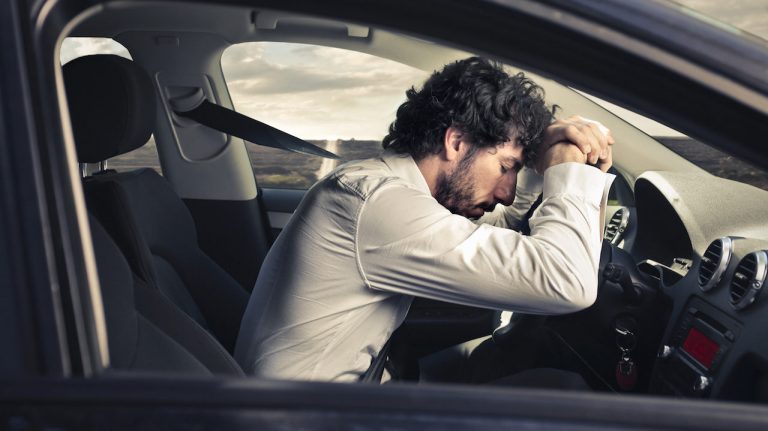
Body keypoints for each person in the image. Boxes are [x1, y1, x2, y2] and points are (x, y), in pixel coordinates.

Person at [235, 57, 614, 382]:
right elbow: (568, 283)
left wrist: (540, 162)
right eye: (505, 167)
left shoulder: (391, 191)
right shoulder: (377, 204)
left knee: (506, 363)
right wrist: (566, 165)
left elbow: (502, 227)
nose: (506, 193)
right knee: (561, 390)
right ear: (456, 142)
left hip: (361, 386)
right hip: (308, 416)